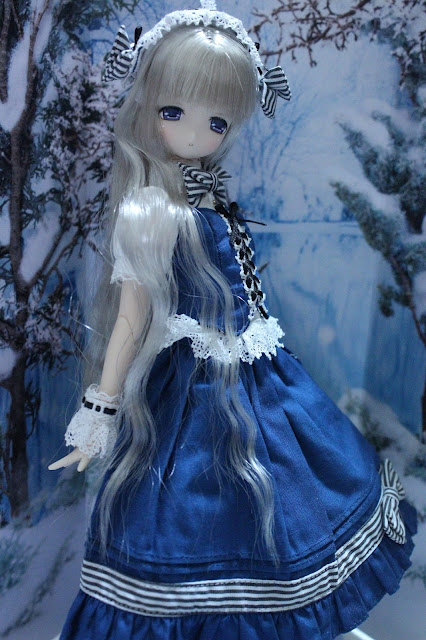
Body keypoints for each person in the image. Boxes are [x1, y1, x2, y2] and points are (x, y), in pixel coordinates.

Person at [49, 2, 416, 638]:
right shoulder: (149, 210)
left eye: (216, 121)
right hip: (188, 389)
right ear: (148, 108)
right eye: (174, 112)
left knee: (280, 502)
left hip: (259, 376)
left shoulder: (209, 196)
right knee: (188, 512)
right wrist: (100, 411)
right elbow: (132, 317)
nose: (196, 134)